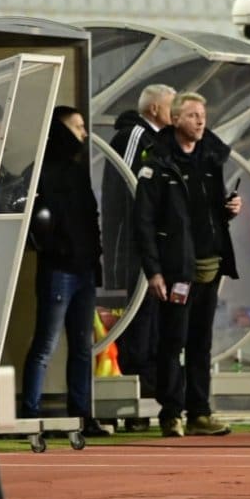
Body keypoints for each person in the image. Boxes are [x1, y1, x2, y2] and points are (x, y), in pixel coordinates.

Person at [134, 92, 241, 438]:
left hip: (210, 264)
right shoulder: (158, 161)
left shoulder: (210, 158)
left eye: (202, 115)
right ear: (176, 119)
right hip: (176, 269)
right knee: (172, 341)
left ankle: (200, 413)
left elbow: (211, 208)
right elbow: (143, 221)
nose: (200, 120)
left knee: (201, 342)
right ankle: (170, 414)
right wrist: (154, 271)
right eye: (193, 115)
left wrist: (230, 208)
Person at [21, 107, 108, 437]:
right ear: (60, 129)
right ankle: (30, 415)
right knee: (46, 344)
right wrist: (55, 247)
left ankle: (81, 415)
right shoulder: (42, 172)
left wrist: (93, 259)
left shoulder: (76, 170)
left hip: (81, 268)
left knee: (81, 347)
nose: (84, 133)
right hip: (60, 268)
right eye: (78, 127)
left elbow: (90, 218)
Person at [102, 84, 175, 431]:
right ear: (156, 108)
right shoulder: (133, 136)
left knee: (156, 326)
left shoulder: (164, 142)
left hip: (157, 249)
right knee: (137, 323)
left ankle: (151, 396)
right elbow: (126, 188)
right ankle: (135, 399)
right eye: (174, 107)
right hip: (132, 248)